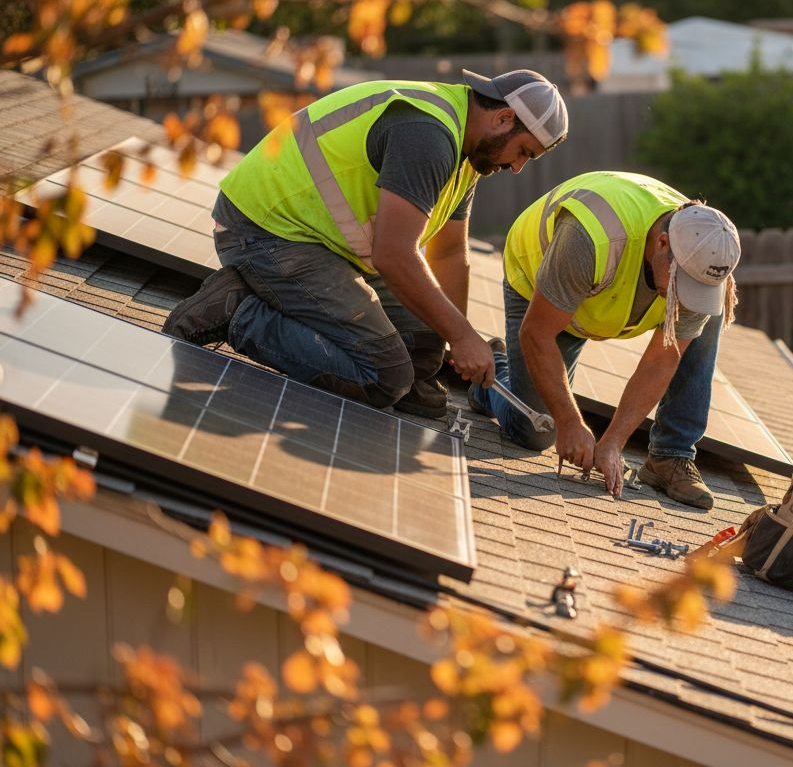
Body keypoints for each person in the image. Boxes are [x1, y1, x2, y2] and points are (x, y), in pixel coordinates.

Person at [164, 70, 569, 418]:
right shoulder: (428, 134)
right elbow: (393, 255)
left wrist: (449, 343)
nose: (516, 168)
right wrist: (464, 337)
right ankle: (239, 310)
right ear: (504, 117)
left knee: (423, 355)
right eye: (523, 153)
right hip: (266, 232)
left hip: (325, 247)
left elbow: (449, 253)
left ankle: (407, 363)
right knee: (386, 377)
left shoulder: (468, 153)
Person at [468, 171, 741, 509]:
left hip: (598, 292)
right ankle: (493, 373)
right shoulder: (592, 238)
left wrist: (613, 441)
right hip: (543, 288)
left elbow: (661, 360)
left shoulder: (701, 257)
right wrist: (569, 422)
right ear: (662, 244)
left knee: (706, 319)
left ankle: (672, 454)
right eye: (681, 283)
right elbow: (536, 333)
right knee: (534, 430)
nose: (686, 297)